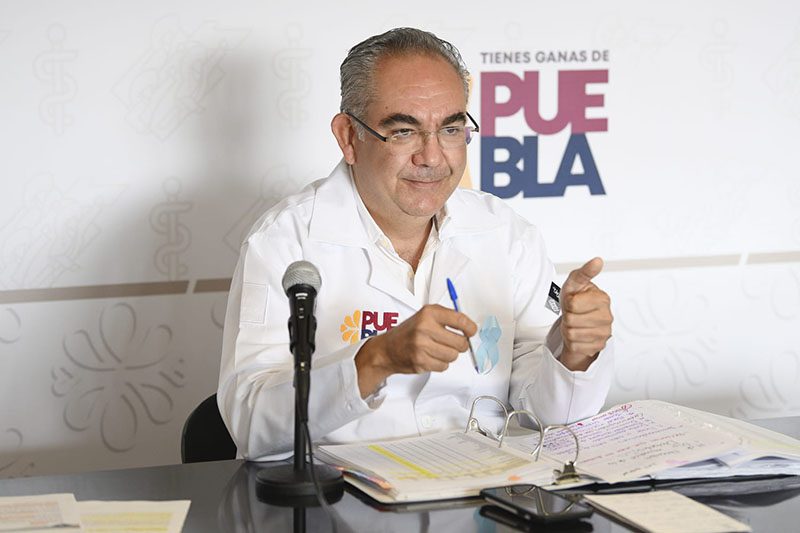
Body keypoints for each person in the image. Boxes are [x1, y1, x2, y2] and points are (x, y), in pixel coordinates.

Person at [218, 27, 614, 461]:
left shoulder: (506, 234)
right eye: (405, 131)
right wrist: (375, 361)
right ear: (349, 137)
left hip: (481, 487)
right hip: (332, 493)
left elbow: (548, 418)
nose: (432, 157)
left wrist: (574, 353)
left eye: (450, 129)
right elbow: (250, 424)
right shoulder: (284, 241)